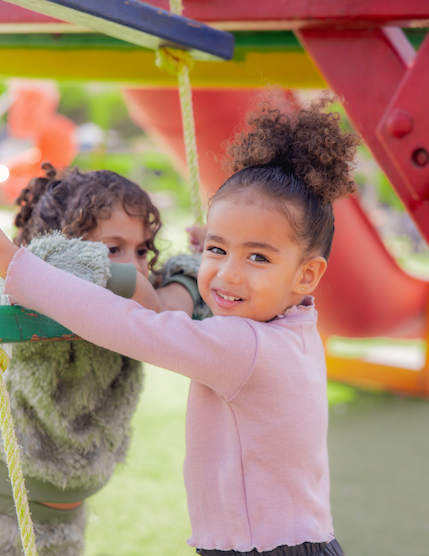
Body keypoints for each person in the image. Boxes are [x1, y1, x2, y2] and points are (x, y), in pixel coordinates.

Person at [0, 93, 359, 556]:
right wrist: (222, 254)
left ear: (307, 274)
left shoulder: (242, 346)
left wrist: (17, 268)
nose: (228, 274)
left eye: (257, 256)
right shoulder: (293, 328)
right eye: (217, 249)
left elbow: (129, 324)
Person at [0, 163, 209, 556]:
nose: (135, 264)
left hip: (65, 512)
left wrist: (191, 270)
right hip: (7, 504)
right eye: (114, 248)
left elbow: (175, 312)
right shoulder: (44, 292)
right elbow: (42, 262)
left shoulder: (137, 317)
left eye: (143, 250)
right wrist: (141, 285)